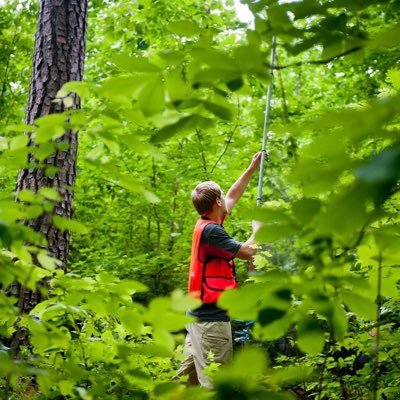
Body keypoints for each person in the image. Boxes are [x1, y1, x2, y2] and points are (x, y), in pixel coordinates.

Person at [174, 152, 264, 389]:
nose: (226, 197)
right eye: (221, 196)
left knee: (186, 382)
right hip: (210, 322)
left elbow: (233, 194)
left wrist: (251, 168)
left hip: (198, 319)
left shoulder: (209, 223)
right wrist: (258, 230)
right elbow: (247, 252)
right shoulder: (212, 232)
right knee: (216, 384)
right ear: (216, 202)